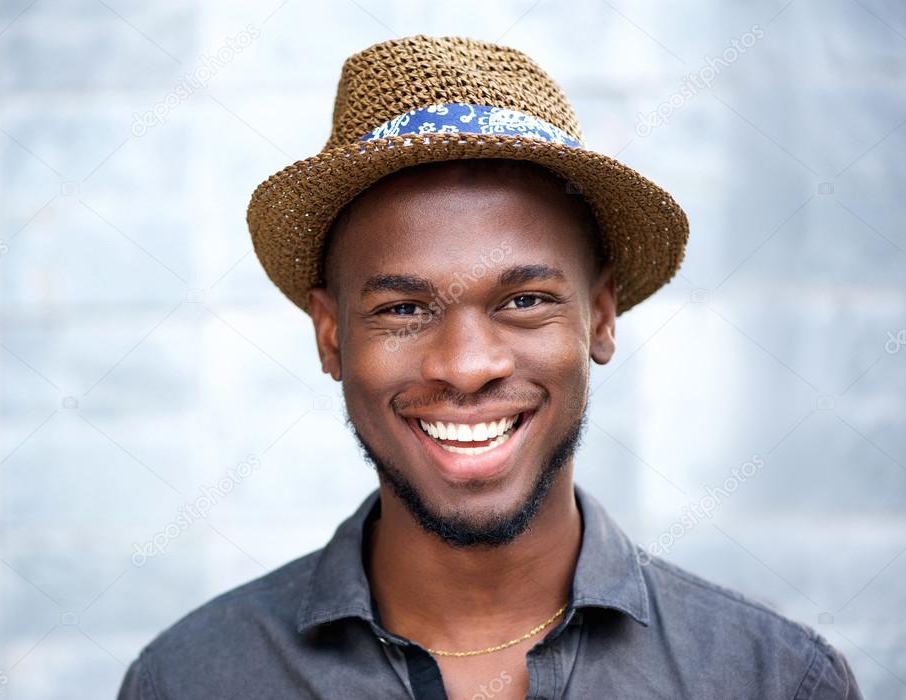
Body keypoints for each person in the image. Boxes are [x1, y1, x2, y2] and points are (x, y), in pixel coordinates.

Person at [117, 34, 862, 699]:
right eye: (404, 309)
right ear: (331, 337)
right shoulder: (191, 678)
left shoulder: (769, 678)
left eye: (524, 299)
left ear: (598, 317)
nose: (466, 367)